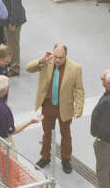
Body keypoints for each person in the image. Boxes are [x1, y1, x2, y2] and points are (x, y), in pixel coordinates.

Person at [26, 44, 85, 173]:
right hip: (48, 105)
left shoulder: (75, 68)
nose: (57, 60)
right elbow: (28, 68)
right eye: (56, 57)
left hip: (64, 107)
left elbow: (79, 90)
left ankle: (66, 159)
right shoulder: (47, 62)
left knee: (66, 134)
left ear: (66, 56)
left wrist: (78, 108)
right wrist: (41, 60)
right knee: (47, 133)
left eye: (61, 58)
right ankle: (45, 157)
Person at [0, 0, 26, 76]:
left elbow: (15, 7)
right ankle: (10, 62)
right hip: (7, 19)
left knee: (13, 44)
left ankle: (15, 68)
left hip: (12, 21)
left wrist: (12, 23)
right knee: (9, 42)